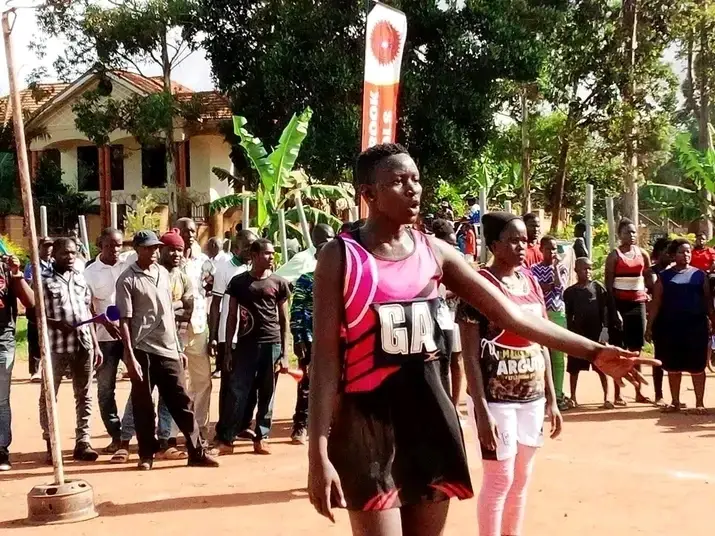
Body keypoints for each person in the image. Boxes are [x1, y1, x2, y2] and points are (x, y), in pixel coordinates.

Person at [307, 143, 657, 534]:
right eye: (398, 181)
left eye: (416, 179)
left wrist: (592, 350)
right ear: (369, 194)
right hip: (367, 424)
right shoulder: (342, 257)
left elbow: (508, 314)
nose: (413, 189)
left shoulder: (435, 252)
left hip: (429, 422)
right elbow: (325, 359)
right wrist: (318, 451)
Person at [458, 212, 562, 536]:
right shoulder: (478, 287)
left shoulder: (530, 281)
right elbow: (470, 357)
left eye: (524, 240)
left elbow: (543, 339)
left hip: (532, 397)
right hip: (496, 401)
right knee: (499, 477)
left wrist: (552, 400)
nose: (522, 246)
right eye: (513, 240)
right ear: (493, 244)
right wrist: (482, 408)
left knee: (522, 476)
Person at [115, 230, 218, 470]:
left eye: (155, 248)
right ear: (138, 250)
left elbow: (169, 315)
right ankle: (146, 455)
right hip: (142, 350)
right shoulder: (127, 279)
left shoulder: (163, 273)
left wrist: (178, 347)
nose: (153, 252)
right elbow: (124, 321)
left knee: (182, 401)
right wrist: (129, 356)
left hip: (169, 348)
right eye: (148, 248)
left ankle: (196, 452)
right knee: (143, 405)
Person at [214, 239, 290, 456]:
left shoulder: (279, 283)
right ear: (254, 255)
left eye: (272, 253)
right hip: (245, 347)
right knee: (237, 392)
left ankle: (262, 437)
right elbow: (231, 317)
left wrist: (284, 354)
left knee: (267, 393)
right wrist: (228, 350)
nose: (271, 257)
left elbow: (284, 320)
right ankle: (227, 439)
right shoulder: (239, 283)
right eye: (267, 253)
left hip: (271, 345)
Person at [41, 237, 102, 464]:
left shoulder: (80, 278)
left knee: (84, 394)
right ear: (54, 254)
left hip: (83, 343)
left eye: (73, 253)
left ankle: (83, 442)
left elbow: (88, 312)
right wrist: (55, 323)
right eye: (65, 253)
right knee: (49, 395)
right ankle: (51, 442)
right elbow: (33, 314)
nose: (70, 257)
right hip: (56, 346)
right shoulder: (43, 281)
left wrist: (95, 344)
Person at [646, 239, 714, 414]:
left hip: (696, 326)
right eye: (681, 252)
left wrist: (713, 321)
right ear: (672, 255)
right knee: (673, 366)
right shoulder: (665, 276)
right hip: (671, 327)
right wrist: (649, 326)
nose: (686, 255)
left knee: (698, 366)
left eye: (688, 252)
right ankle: (675, 402)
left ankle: (699, 403)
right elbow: (656, 303)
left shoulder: (700, 275)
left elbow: (708, 303)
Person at [84, 228, 130, 456]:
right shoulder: (90, 273)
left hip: (131, 336)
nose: (115, 250)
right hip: (104, 339)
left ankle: (134, 431)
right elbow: (87, 306)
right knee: (105, 389)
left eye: (119, 245)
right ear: (100, 245)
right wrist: (105, 322)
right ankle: (116, 434)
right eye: (110, 245)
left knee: (143, 383)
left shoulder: (128, 265)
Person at [210, 230, 260, 441]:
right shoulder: (224, 269)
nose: (250, 251)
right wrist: (214, 335)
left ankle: (243, 424)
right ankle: (224, 427)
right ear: (236, 247)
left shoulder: (255, 268)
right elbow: (215, 304)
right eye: (247, 247)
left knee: (251, 383)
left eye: (253, 247)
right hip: (228, 335)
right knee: (230, 385)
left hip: (250, 335)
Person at [289, 224, 335, 445]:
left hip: (335, 340)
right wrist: (298, 338)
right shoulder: (306, 279)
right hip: (309, 338)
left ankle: (330, 427)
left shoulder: (341, 278)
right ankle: (300, 426)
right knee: (306, 384)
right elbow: (296, 310)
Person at [605, 218, 652, 406]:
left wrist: (650, 293)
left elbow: (648, 277)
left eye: (633, 232)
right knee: (620, 351)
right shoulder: (614, 256)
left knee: (636, 350)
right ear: (619, 235)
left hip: (637, 305)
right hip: (619, 305)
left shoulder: (643, 254)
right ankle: (618, 393)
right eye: (627, 232)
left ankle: (639, 392)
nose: (631, 235)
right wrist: (614, 311)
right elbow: (609, 287)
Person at [176, 217, 214, 440]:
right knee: (176, 382)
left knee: (202, 380)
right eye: (185, 231)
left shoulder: (203, 261)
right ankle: (171, 432)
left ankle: (199, 427)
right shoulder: (168, 258)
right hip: (175, 328)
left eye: (192, 231)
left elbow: (208, 293)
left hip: (198, 327)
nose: (190, 234)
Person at [0, 255, 35, 471]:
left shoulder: (6, 268)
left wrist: (17, 274)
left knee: (1, 399)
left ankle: (1, 449)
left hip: (2, 339)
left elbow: (30, 303)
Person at [564, 258, 611, 408]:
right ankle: (573, 398)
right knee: (574, 369)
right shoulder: (570, 292)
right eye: (585, 269)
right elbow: (568, 314)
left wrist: (605, 330)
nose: (588, 272)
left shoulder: (598, 288)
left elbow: (605, 310)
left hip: (596, 335)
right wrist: (570, 334)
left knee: (602, 367)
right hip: (578, 335)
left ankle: (607, 398)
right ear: (577, 271)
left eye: (590, 269)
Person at [530, 235, 569, 409]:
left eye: (554, 249)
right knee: (539, 354)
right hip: (540, 314)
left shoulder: (561, 267)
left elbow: (560, 288)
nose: (552, 252)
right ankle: (542, 392)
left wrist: (554, 268)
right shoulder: (533, 269)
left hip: (557, 313)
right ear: (541, 249)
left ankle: (558, 394)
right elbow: (537, 289)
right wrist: (547, 285)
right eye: (548, 248)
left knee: (558, 357)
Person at [432, 218, 464, 409]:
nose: (453, 248)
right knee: (442, 366)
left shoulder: (456, 262)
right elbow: (441, 292)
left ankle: (452, 406)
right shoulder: (433, 263)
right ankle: (444, 408)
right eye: (450, 244)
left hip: (452, 318)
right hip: (440, 320)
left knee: (455, 361)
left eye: (454, 244)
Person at [24, 237, 53, 381]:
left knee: (53, 338)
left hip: (52, 307)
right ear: (39, 248)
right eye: (45, 246)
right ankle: (35, 371)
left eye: (50, 247)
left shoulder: (54, 264)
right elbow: (29, 283)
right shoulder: (32, 265)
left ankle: (53, 369)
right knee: (35, 339)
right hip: (36, 307)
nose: (48, 250)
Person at [649, 237, 671, 406]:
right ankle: (659, 394)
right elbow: (654, 292)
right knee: (659, 358)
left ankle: (674, 397)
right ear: (659, 253)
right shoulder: (652, 272)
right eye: (666, 251)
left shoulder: (675, 270)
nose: (669, 255)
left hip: (674, 317)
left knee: (674, 357)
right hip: (658, 317)